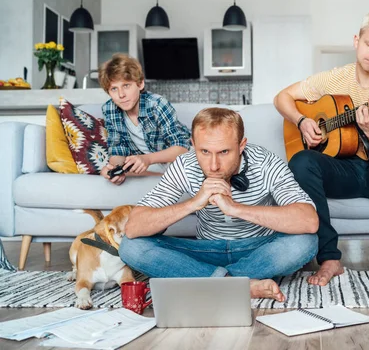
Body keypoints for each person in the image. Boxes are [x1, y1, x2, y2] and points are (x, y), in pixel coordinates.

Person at [273, 12, 369, 289]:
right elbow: (281, 97)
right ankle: (329, 258)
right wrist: (303, 121)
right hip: (345, 170)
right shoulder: (334, 79)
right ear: (357, 41)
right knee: (302, 160)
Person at [119, 108, 319, 301]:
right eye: (204, 151)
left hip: (257, 250)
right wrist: (193, 203)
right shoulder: (185, 165)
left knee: (305, 242)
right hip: (206, 251)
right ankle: (237, 284)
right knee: (131, 247)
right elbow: (134, 227)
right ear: (193, 144)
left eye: (224, 152)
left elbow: (308, 220)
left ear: (241, 146)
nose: (213, 165)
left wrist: (235, 208)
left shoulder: (266, 163)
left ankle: (210, 281)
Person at [98, 54, 191, 185]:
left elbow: (182, 148)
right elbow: (118, 148)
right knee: (124, 172)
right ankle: (165, 178)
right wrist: (114, 169)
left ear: (140, 84)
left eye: (126, 86)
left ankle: (169, 178)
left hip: (178, 158)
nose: (121, 95)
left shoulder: (157, 104)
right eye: (114, 88)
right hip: (151, 164)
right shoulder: (109, 109)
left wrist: (147, 159)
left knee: (188, 168)